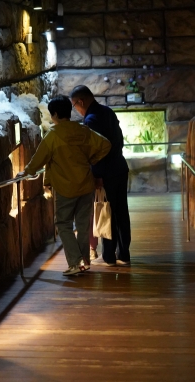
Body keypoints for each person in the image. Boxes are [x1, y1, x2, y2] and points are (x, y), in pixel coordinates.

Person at [17, 95, 111, 276]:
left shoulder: (54, 135)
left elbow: (39, 158)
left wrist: (27, 171)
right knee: (83, 225)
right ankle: (85, 261)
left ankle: (75, 263)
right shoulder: (83, 130)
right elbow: (105, 145)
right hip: (85, 184)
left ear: (55, 114)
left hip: (65, 187)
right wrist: (91, 159)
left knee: (63, 223)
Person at [70, 85, 132, 267]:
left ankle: (109, 255)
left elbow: (95, 152)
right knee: (121, 211)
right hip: (120, 167)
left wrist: (96, 174)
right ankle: (124, 253)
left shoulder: (90, 120)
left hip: (105, 173)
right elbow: (119, 140)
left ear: (81, 101)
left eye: (75, 105)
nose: (77, 110)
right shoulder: (108, 112)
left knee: (106, 211)